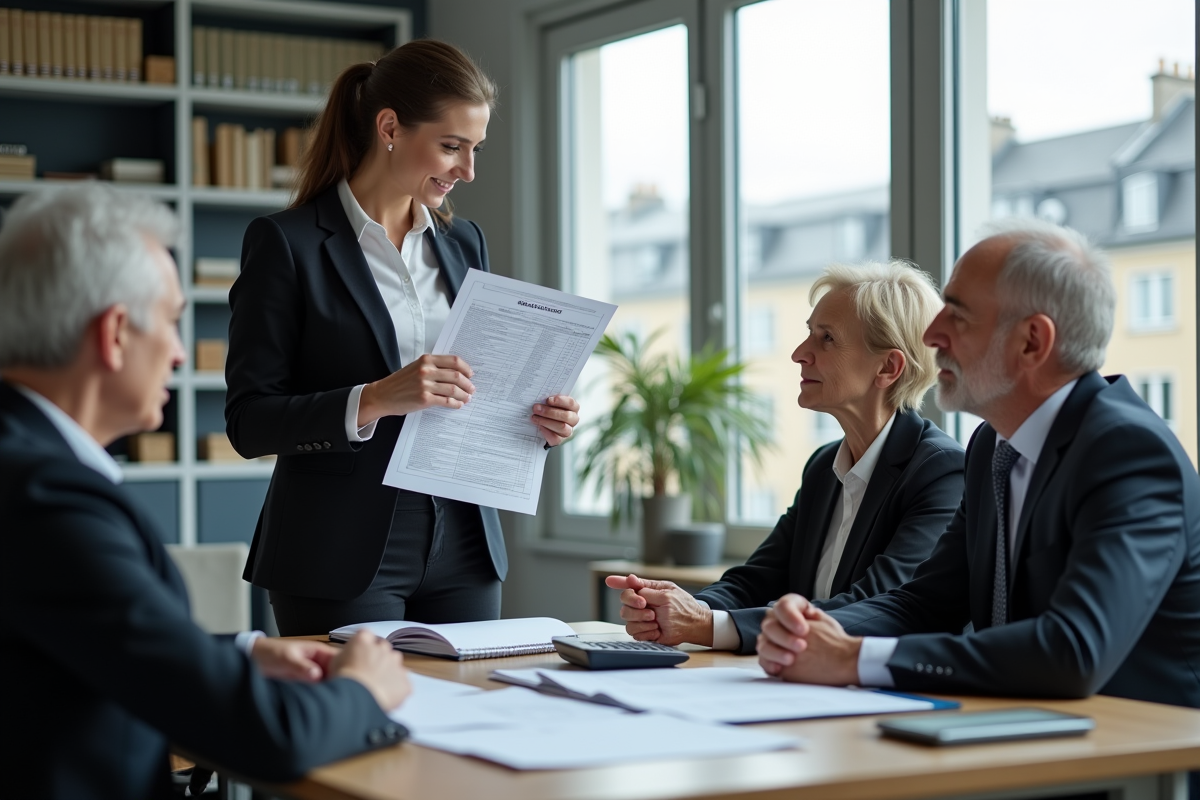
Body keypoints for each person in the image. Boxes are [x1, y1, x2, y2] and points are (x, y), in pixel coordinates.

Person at [756, 221, 1199, 798]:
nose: (932, 333)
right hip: (1028, 741)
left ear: (1032, 342)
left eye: (958, 316)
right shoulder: (993, 445)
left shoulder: (1126, 450)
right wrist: (813, 632)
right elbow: (925, 600)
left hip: (1134, 766)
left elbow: (1073, 649)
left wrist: (853, 658)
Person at [0, 185, 413, 800]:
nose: (177, 355)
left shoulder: (26, 467)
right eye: (171, 323)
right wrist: (363, 692)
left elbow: (85, 637)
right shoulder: (48, 502)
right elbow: (266, 735)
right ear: (115, 334)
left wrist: (242, 654)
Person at [225, 40, 580, 635]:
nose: (468, 171)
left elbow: (477, 388)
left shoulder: (464, 243)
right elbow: (249, 422)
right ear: (389, 127)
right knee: (361, 700)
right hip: (336, 549)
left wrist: (539, 420)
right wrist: (376, 398)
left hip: (465, 541)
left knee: (468, 700)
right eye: (451, 146)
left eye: (475, 149)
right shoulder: (287, 244)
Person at [606, 261, 965, 653]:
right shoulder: (823, 467)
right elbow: (757, 579)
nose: (798, 354)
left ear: (888, 367)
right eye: (809, 334)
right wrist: (684, 608)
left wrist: (704, 625)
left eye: (826, 339)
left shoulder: (940, 472)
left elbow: (875, 606)